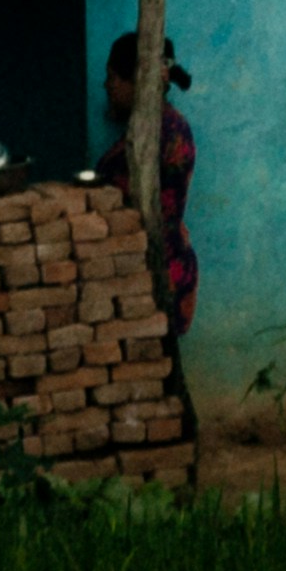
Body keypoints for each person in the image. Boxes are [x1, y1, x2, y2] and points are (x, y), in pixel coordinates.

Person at [97, 28, 198, 366]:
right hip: (158, 268)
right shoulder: (155, 129)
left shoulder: (159, 135)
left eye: (113, 77)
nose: (106, 86)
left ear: (136, 81)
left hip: (156, 273)